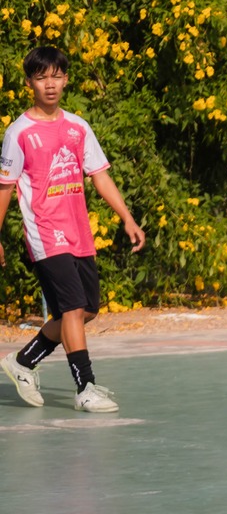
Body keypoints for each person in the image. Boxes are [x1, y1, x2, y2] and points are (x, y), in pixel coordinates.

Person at [0, 46, 146, 413]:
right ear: (30, 82)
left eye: (56, 76)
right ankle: (85, 387)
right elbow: (4, 188)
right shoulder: (19, 132)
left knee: (84, 311)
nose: (50, 84)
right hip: (45, 233)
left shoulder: (78, 127)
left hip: (78, 231)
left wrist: (127, 218)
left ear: (65, 78)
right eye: (41, 77)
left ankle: (23, 361)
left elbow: (100, 176)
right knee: (73, 306)